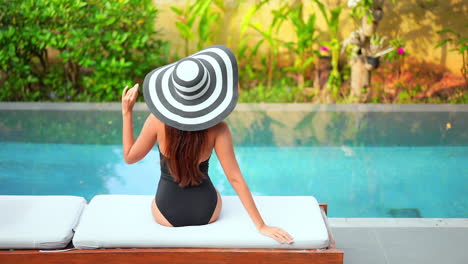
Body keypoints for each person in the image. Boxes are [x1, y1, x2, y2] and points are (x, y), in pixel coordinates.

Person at [121, 45, 294, 245]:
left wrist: (127, 112)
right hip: (207, 211)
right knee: (217, 193)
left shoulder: (156, 121)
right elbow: (235, 178)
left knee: (154, 201)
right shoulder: (218, 129)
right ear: (209, 92)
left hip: (165, 212)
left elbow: (130, 157)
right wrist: (261, 226)